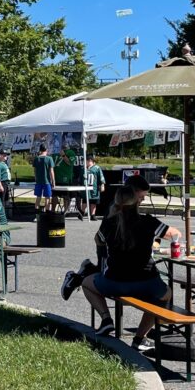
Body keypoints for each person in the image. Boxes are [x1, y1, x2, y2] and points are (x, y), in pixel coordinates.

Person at [75, 185, 179, 352]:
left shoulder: (110, 223)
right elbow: (174, 234)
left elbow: (98, 240)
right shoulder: (148, 221)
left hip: (114, 282)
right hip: (147, 283)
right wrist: (155, 242)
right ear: (137, 201)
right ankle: (139, 337)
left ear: (117, 202)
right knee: (166, 293)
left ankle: (106, 319)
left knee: (87, 282)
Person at [78, 155, 106, 221]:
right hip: (85, 188)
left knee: (94, 202)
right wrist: (79, 186)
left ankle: (92, 215)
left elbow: (101, 177)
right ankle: (81, 213)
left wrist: (102, 185)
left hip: (94, 188)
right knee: (85, 201)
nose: (85, 163)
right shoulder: (83, 168)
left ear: (90, 161)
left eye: (86, 161)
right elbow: (80, 178)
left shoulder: (97, 168)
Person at [32, 143, 55, 215]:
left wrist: (36, 178)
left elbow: (35, 171)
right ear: (46, 150)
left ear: (40, 150)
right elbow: (51, 171)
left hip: (38, 181)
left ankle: (36, 213)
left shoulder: (36, 158)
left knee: (38, 197)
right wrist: (53, 181)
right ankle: (47, 212)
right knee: (47, 197)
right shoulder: (49, 159)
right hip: (47, 181)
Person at [52, 146, 76, 215]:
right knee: (54, 195)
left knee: (66, 196)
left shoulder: (71, 152)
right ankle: (53, 211)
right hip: (56, 178)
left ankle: (65, 212)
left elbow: (70, 163)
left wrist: (63, 155)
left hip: (66, 178)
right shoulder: (55, 152)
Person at [0, 149, 12, 214]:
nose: (6, 157)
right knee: (1, 200)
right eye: (4, 155)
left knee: (5, 199)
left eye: (6, 155)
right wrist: (0, 185)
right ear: (0, 156)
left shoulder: (4, 163)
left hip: (6, 183)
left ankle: (3, 214)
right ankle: (0, 215)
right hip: (2, 183)